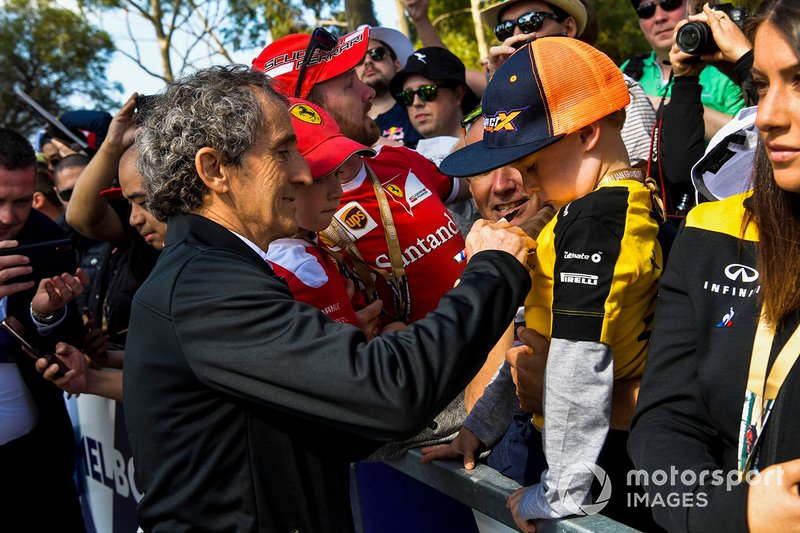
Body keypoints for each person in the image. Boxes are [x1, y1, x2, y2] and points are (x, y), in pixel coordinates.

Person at [123, 64, 535, 532]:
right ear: (215, 169)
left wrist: (475, 422)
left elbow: (340, 423)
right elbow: (387, 390)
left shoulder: (219, 271)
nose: (303, 174)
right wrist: (494, 268)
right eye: (283, 152)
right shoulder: (205, 289)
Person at [425, 37, 664, 531]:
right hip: (583, 447)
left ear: (588, 134)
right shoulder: (577, 213)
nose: (527, 183)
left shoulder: (598, 218)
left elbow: (579, 360)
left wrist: (561, 492)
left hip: (606, 462)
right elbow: (533, 345)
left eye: (532, 164)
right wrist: (478, 430)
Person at [629, 2, 800, 531]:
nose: (768, 115)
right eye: (759, 87)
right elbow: (663, 423)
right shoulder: (713, 231)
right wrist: (732, 514)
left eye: (799, 81)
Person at [0, 127, 89, 532]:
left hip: (36, 464)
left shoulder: (46, 238)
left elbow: (70, 344)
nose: (8, 217)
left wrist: (45, 315)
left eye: (21, 202)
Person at [480, 0, 657, 168]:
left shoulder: (620, 88)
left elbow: (638, 175)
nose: (516, 36)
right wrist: (499, 89)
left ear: (569, 27)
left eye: (530, 21)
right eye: (505, 29)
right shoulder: (506, 98)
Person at [266, 98, 383, 337]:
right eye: (318, 177)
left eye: (338, 172)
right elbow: (350, 366)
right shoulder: (295, 266)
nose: (337, 191)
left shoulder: (304, 241)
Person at [620, 0, 745, 140]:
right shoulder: (628, 70)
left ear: (693, 8)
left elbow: (747, 135)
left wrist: (660, 105)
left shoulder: (725, 67)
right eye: (646, 10)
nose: (659, 17)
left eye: (669, 3)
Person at [388, 46, 480, 163]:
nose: (416, 103)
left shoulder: (490, 138)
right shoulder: (401, 161)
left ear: (458, 95)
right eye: (408, 96)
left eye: (426, 92)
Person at [354, 25, 422, 147]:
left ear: (397, 65)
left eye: (377, 54)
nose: (368, 61)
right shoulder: (346, 121)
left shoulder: (419, 106)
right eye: (359, 58)